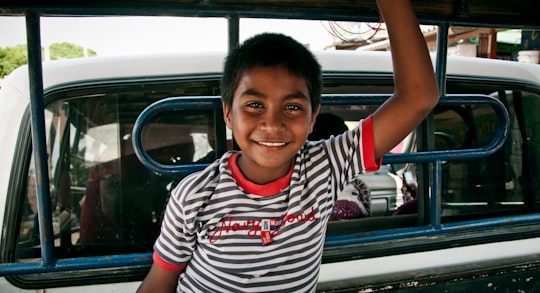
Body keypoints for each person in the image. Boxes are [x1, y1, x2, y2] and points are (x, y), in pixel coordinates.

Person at [137, 0, 439, 291]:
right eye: (255, 104)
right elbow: (159, 283)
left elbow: (419, 97)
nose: (272, 124)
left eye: (292, 107)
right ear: (228, 113)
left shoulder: (325, 167)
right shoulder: (195, 194)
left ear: (313, 117)